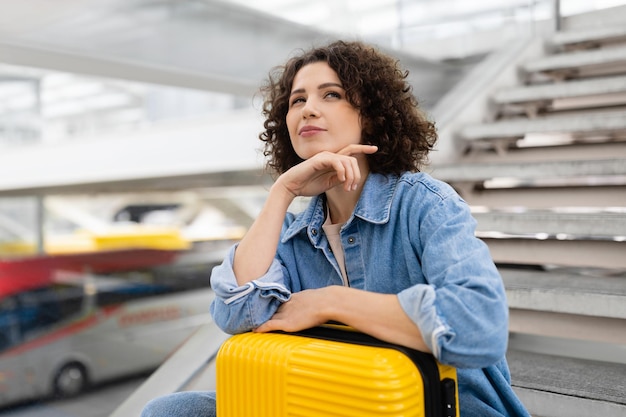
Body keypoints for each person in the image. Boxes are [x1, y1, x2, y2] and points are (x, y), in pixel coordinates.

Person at [141, 40, 530, 417]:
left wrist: (329, 302)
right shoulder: (294, 231)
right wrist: (283, 191)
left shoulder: (425, 204)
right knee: (169, 411)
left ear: (371, 115)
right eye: (298, 100)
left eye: (330, 95)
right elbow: (239, 314)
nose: (308, 109)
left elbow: (478, 327)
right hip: (331, 398)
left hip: (435, 405)